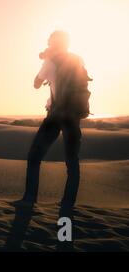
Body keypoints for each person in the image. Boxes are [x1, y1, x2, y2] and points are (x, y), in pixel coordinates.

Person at [18, 30, 91, 209]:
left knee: (34, 156)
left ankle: (29, 199)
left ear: (53, 43)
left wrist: (46, 60)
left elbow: (36, 83)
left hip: (56, 115)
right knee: (72, 160)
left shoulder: (50, 62)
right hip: (74, 115)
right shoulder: (78, 59)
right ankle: (68, 203)